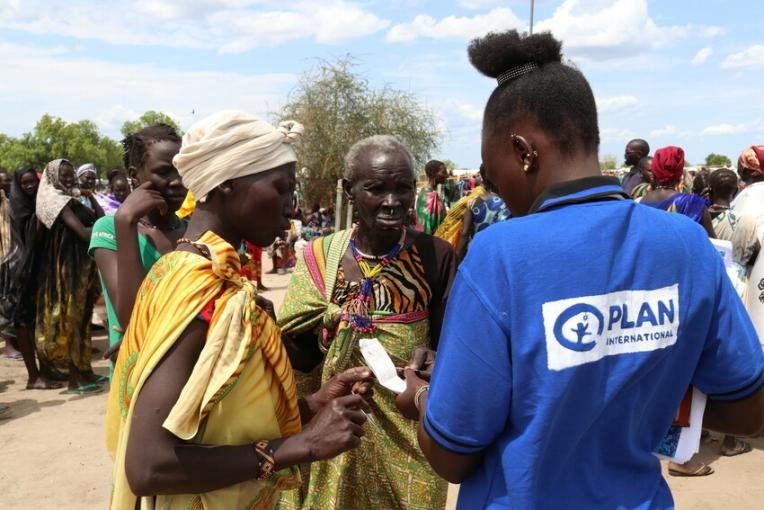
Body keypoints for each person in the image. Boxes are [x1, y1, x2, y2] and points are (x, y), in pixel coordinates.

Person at [394, 30, 764, 509]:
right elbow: (749, 409)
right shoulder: (688, 245)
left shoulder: (499, 256)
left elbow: (451, 455)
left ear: (523, 152)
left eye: (491, 171)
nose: (495, 188)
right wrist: (638, 392)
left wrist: (422, 399)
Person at [106, 110, 373, 510]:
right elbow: (148, 465)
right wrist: (301, 446)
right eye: (281, 189)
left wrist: (311, 405)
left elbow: (218, 423)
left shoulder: (193, 272)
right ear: (227, 183)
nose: (290, 208)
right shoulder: (202, 292)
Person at [276, 135, 455, 510]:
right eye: (376, 189)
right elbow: (297, 357)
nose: (393, 202)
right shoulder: (320, 257)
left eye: (403, 189)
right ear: (350, 191)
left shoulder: (435, 256)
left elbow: (452, 344)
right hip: (337, 428)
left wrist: (435, 356)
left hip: (409, 433)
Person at [90, 124, 188, 369]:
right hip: (137, 373)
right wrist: (126, 222)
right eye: (164, 172)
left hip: (189, 367)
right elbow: (131, 319)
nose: (177, 181)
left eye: (183, 170)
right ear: (135, 174)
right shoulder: (111, 229)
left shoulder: (194, 230)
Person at [35, 159, 104, 393]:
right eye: (62, 176)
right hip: (69, 269)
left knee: (84, 318)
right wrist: (101, 229)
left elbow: (101, 216)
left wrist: (90, 196)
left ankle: (86, 370)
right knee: (74, 318)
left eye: (69, 175)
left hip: (82, 266)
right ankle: (75, 377)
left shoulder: (75, 197)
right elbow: (84, 233)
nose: (67, 180)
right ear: (53, 178)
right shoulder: (58, 202)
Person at [0, 166, 63, 389]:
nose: (29, 187)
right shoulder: (19, 207)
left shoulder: (33, 203)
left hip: (35, 268)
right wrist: (41, 210)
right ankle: (33, 376)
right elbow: (34, 238)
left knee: (38, 323)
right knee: (23, 324)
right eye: (25, 183)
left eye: (32, 182)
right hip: (21, 270)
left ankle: (45, 370)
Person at [436, 164, 510, 261]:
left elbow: (464, 234)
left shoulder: (473, 202)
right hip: (503, 254)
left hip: (478, 254)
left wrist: (458, 260)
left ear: (482, 177)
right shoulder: (508, 202)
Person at [642, 146, 716, 238]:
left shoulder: (639, 202)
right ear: (680, 172)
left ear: (654, 170)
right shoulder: (692, 203)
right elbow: (714, 244)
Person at [416, 159, 448, 234]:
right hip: (430, 242)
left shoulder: (433, 194)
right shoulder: (427, 197)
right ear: (434, 174)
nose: (447, 175)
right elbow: (425, 228)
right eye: (443, 172)